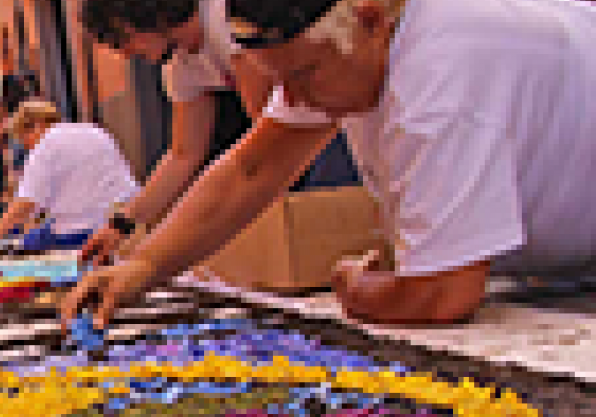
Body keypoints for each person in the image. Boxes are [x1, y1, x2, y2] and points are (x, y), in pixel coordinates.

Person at [66, 0, 596, 327]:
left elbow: (443, 294)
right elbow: (253, 168)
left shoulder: (438, 88)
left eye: (304, 73)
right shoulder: (348, 47)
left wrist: (353, 285)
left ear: (367, 17)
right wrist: (145, 266)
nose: (293, 96)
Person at [78, 0, 361, 269]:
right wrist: (122, 224)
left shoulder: (227, 21)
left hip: (324, 128)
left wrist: (156, 257)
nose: (125, 53)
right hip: (286, 138)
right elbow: (182, 156)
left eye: (121, 39)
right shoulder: (181, 66)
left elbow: (266, 140)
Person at [0, 101, 139, 258]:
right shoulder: (92, 130)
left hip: (85, 230)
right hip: (127, 219)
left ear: (35, 126)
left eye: (24, 139)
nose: (27, 147)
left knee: (23, 245)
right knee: (34, 234)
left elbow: (25, 203)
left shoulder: (46, 144)